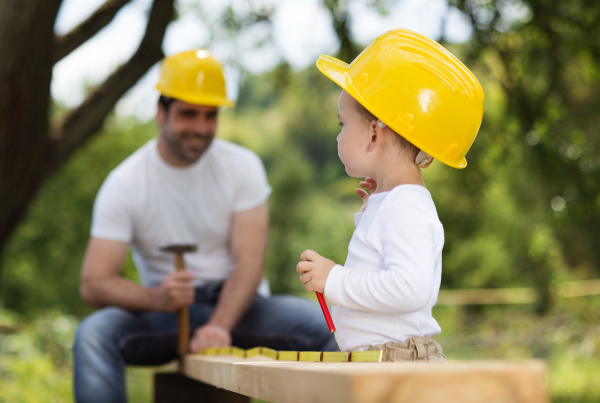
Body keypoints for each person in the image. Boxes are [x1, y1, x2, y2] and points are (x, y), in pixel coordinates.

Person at [73, 49, 336, 403]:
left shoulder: (243, 167)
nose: (200, 127)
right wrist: (156, 297)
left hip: (243, 309)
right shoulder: (125, 183)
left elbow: (250, 261)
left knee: (334, 330)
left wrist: (219, 325)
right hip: (165, 313)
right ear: (160, 112)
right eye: (188, 114)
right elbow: (94, 283)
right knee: (93, 335)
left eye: (210, 116)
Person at [296, 29, 484, 362]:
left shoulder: (405, 207)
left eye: (342, 124)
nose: (338, 136)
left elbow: (409, 289)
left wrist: (334, 279)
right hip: (384, 359)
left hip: (397, 364)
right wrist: (374, 207)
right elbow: (379, 259)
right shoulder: (397, 203)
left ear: (373, 133)